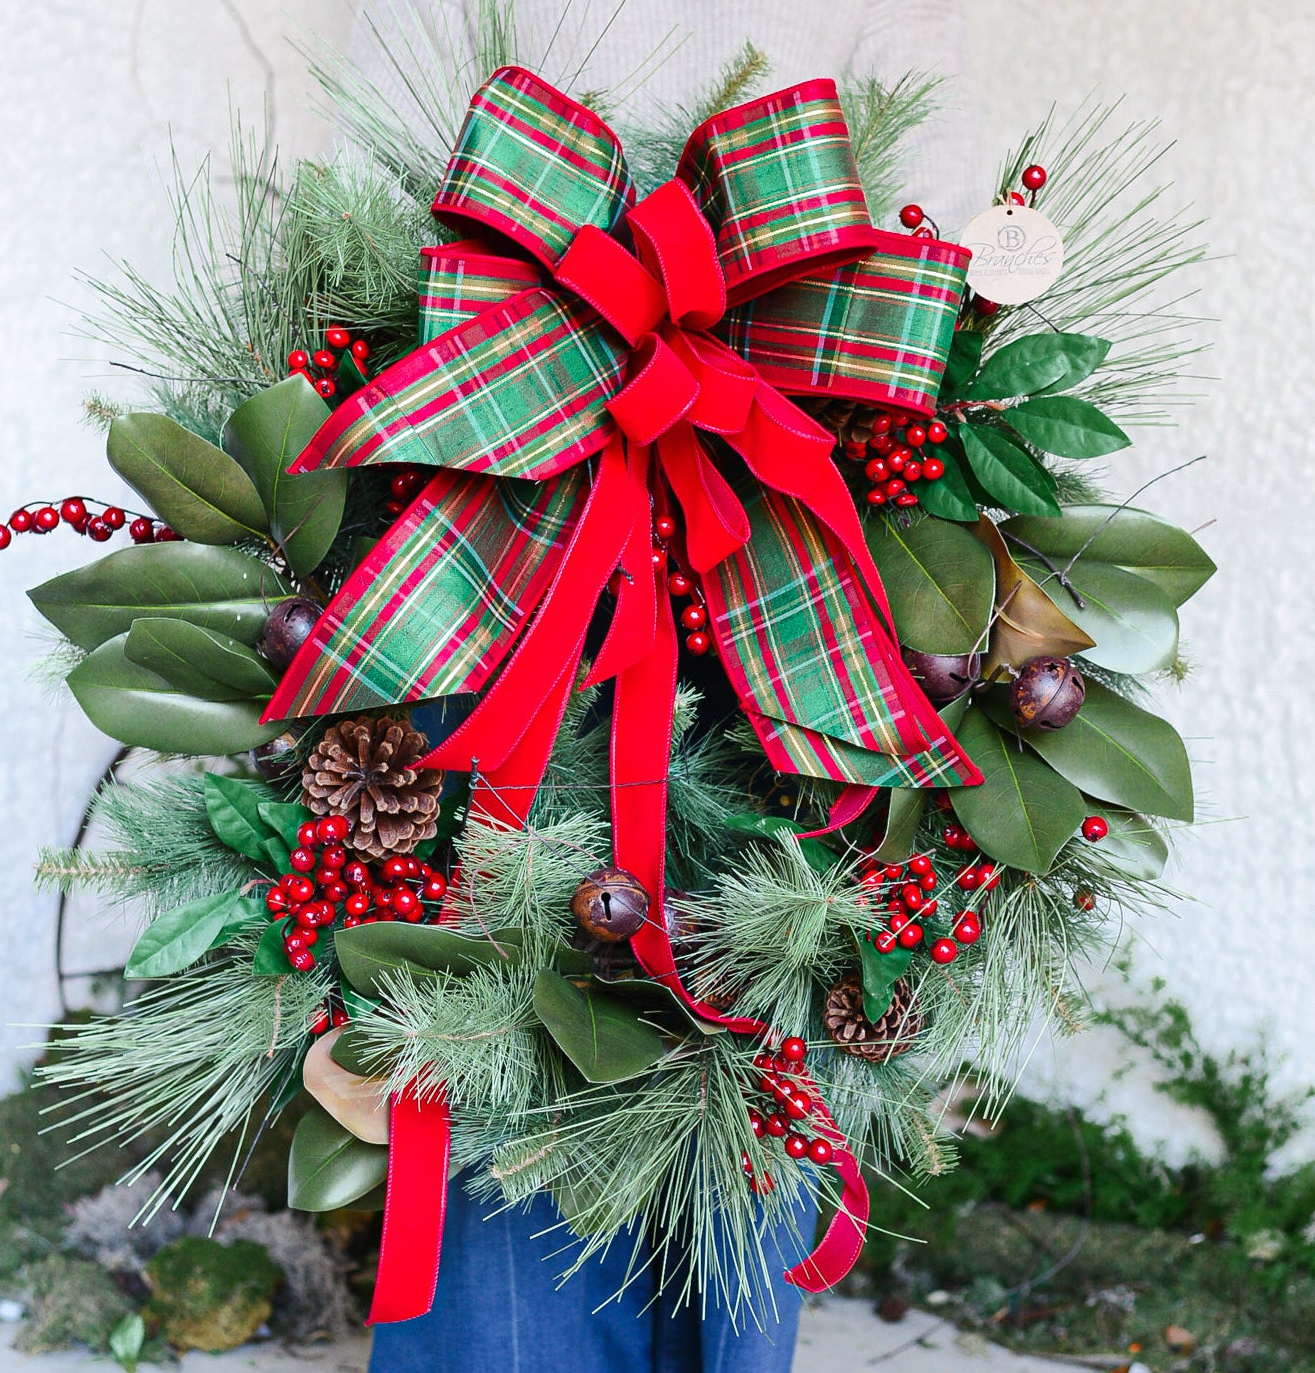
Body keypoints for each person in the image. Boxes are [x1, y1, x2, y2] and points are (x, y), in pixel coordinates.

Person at [354, 4, 976, 1368]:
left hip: (711, 560)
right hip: (530, 768)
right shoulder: (498, 459)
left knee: (762, 956)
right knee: (490, 959)